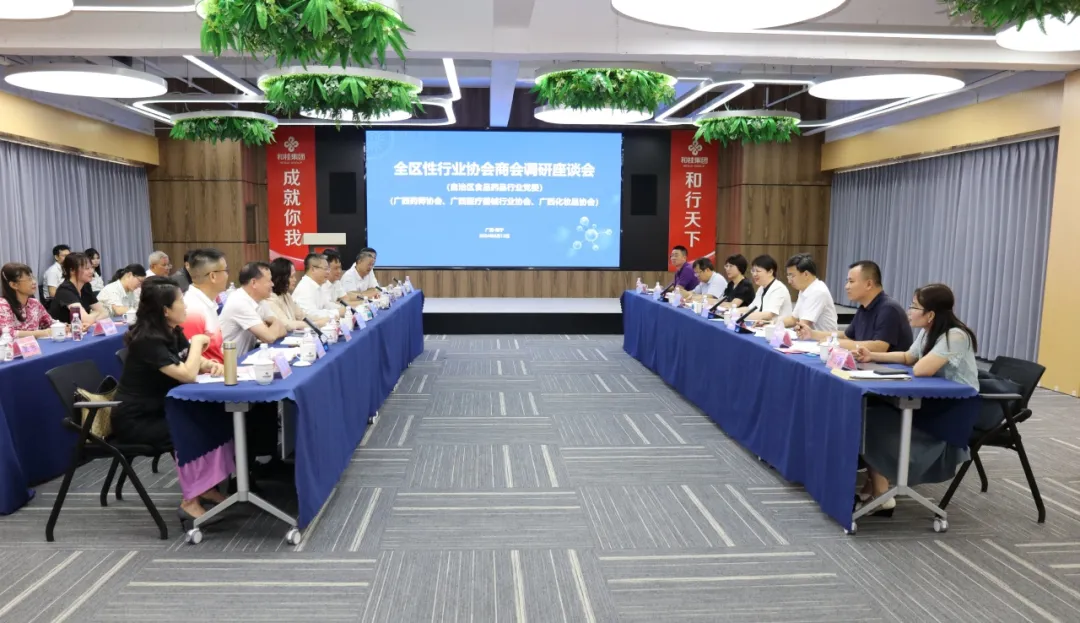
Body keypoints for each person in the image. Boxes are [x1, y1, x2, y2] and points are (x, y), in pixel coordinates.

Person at [852, 283, 979, 513]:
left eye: (914, 306)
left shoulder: (955, 336)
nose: (909, 311)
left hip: (951, 411)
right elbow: (908, 357)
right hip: (929, 400)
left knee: (872, 421)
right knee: (867, 410)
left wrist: (917, 360)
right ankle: (878, 487)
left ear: (930, 315)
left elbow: (921, 369)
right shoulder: (929, 331)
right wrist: (872, 355)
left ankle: (882, 492)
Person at [110, 276, 226, 523]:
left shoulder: (172, 331)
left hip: (161, 410)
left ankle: (205, 486)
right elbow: (186, 374)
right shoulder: (147, 341)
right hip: (137, 419)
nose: (186, 306)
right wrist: (198, 343)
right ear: (165, 310)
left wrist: (209, 364)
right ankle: (190, 501)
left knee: (215, 420)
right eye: (181, 301)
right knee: (190, 431)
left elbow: (187, 359)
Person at [797, 261, 913, 353]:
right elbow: (847, 336)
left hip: (890, 370)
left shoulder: (889, 309)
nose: (846, 287)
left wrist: (836, 343)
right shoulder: (864, 308)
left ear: (869, 284)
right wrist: (812, 334)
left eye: (851, 282)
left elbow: (879, 346)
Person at [220, 262, 288, 356]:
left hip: (245, 357)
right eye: (269, 281)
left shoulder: (260, 300)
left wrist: (273, 326)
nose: (272, 284)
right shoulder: (239, 301)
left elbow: (283, 330)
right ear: (254, 283)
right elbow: (269, 337)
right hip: (227, 362)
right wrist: (276, 322)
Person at [180, 248, 229, 363]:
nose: (227, 275)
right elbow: (189, 357)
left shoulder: (208, 301)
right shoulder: (192, 309)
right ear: (213, 276)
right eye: (226, 270)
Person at [781, 253, 838, 333]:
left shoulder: (818, 291)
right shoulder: (804, 289)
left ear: (806, 274)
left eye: (792, 276)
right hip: (809, 337)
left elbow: (803, 325)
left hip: (822, 339)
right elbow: (793, 319)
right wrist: (771, 324)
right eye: (788, 276)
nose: (789, 281)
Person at [48, 252, 109, 325]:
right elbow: (84, 320)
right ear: (72, 270)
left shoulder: (86, 286)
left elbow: (105, 313)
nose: (91, 271)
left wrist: (91, 317)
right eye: (87, 268)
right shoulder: (65, 290)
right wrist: (96, 314)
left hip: (81, 329)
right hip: (63, 331)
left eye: (92, 267)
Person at [265, 258, 325, 331]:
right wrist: (317, 324)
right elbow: (287, 324)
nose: (295, 279)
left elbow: (303, 316)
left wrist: (325, 319)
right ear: (281, 278)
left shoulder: (286, 295)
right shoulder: (270, 299)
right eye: (291, 277)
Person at [0, 263, 54, 338]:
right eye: (29, 279)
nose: (34, 282)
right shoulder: (3, 305)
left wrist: (63, 326)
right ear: (14, 285)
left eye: (33, 278)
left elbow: (50, 323)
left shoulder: (34, 303)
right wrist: (42, 333)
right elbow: (8, 334)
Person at [739, 255, 792, 323]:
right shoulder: (761, 288)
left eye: (758, 271)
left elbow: (768, 315)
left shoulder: (779, 288)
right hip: (763, 326)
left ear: (770, 272)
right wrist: (732, 311)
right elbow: (750, 308)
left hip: (778, 328)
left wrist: (741, 316)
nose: (754, 274)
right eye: (753, 271)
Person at [292, 253, 341, 319]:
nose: (328, 272)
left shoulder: (317, 285)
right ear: (313, 269)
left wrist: (342, 308)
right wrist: (337, 312)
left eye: (328, 269)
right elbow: (310, 315)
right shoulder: (305, 288)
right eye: (325, 269)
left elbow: (326, 305)